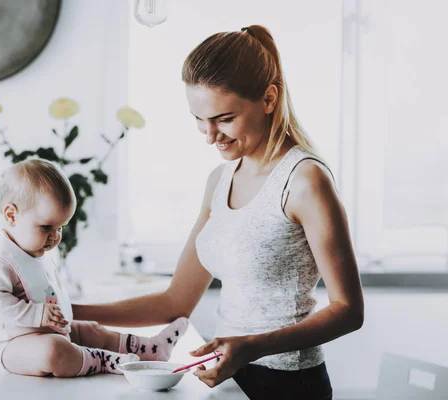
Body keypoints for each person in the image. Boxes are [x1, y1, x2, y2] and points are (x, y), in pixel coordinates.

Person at [72, 25, 364, 399]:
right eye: (199, 119)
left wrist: (252, 346)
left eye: (224, 118)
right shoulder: (220, 179)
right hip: (227, 380)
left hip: (290, 385)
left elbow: (348, 310)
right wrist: (70, 311)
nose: (210, 136)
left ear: (269, 98)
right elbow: (174, 301)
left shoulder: (304, 180)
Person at [0, 159, 189, 376]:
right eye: (47, 227)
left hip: (52, 330)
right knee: (54, 351)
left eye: (60, 228)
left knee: (91, 329)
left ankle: (152, 348)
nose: (55, 237)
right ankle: (105, 361)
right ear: (11, 215)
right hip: (13, 345)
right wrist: (36, 314)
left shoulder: (32, 250)